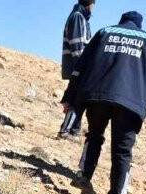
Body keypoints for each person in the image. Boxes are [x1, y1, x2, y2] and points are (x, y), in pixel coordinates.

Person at [61, 11, 146, 194]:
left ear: (122, 21)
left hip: (97, 95)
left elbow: (81, 67)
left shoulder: (104, 32)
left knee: (94, 135)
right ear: (139, 24)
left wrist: (70, 96)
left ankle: (83, 175)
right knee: (122, 151)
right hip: (131, 103)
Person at [59, 0, 95, 139]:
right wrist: (83, 66)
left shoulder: (80, 16)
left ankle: (73, 130)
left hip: (79, 66)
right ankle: (67, 130)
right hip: (79, 66)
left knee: (78, 97)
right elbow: (77, 46)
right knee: (76, 99)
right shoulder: (78, 17)